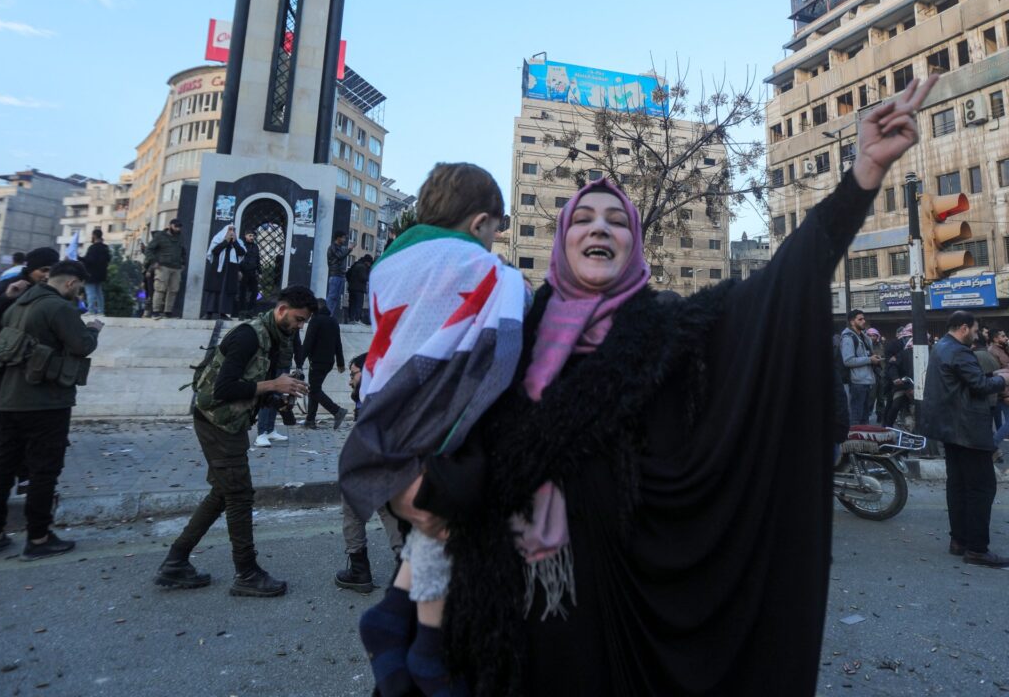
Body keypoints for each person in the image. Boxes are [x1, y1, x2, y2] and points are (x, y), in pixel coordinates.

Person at [378, 77, 941, 696]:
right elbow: (420, 402)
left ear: (634, 245)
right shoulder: (511, 325)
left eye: (617, 220)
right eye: (583, 219)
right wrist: (402, 480)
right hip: (502, 594)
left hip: (624, 598)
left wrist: (861, 175)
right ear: (562, 242)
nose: (600, 228)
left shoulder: (673, 328)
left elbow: (781, 286)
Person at [341, 162, 521, 697]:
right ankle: (428, 647)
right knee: (447, 519)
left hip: (388, 411)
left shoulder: (391, 263)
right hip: (436, 413)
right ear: (480, 222)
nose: (494, 242)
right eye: (495, 230)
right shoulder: (477, 268)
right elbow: (495, 339)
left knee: (428, 526)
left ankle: (395, 615)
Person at [153, 286, 316, 596]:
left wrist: (275, 399)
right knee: (239, 495)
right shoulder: (248, 336)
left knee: (223, 492)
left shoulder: (273, 338)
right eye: (298, 319)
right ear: (281, 309)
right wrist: (273, 384)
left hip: (230, 422)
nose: (299, 327)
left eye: (303, 322)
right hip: (216, 421)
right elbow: (224, 388)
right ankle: (246, 573)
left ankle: (176, 561)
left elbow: (251, 387)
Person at [0, 261, 102, 560]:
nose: (77, 291)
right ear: (69, 283)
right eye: (77, 286)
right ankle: (38, 537)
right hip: (45, 401)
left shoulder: (18, 305)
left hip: (8, 399)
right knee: (44, 470)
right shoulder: (58, 308)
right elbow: (81, 345)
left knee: (2, 469)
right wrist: (93, 330)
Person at [921, 311, 1009, 568]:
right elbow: (979, 385)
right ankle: (977, 549)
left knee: (958, 485)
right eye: (975, 329)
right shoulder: (959, 351)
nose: (977, 334)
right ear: (963, 328)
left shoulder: (941, 347)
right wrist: (1001, 379)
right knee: (982, 487)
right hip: (967, 429)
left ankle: (959, 540)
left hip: (951, 429)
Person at [0, 247, 58, 483]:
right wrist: (7, 296)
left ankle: (21, 473)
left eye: (51, 270)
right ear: (30, 269)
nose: (46, 275)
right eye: (42, 270)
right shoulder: (9, 287)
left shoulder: (50, 292)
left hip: (29, 368)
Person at [334, 353, 404, 594]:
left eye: (353, 373)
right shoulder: (377, 393)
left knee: (353, 506)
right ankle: (406, 563)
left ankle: (359, 570)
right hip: (387, 461)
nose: (350, 380)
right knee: (388, 508)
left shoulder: (372, 397)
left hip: (374, 457)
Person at [298, 299, 347, 430]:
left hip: (317, 361)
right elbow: (338, 343)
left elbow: (308, 342)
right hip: (328, 362)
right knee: (315, 388)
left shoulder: (316, 320)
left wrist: (299, 361)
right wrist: (340, 362)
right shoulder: (333, 321)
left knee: (314, 390)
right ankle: (310, 420)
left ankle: (337, 411)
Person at [841, 309, 880, 425]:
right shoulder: (848, 338)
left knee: (865, 417)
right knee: (856, 417)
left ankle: (864, 442)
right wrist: (869, 360)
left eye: (864, 318)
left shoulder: (862, 337)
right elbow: (848, 360)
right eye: (860, 319)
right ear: (852, 322)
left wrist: (874, 358)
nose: (864, 321)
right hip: (857, 382)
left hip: (866, 381)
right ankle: (854, 442)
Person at [202, 225, 246, 320]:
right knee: (214, 290)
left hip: (231, 269)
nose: (232, 232)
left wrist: (234, 242)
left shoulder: (238, 242)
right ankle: (209, 313)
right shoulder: (218, 239)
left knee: (227, 292)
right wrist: (226, 241)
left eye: (233, 230)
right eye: (230, 230)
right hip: (218, 269)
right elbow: (215, 251)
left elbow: (242, 252)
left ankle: (223, 313)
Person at [145, 218, 186, 319]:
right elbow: (149, 250)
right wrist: (154, 262)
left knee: (173, 290)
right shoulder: (160, 236)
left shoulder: (180, 237)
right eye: (176, 226)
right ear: (170, 225)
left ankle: (168, 312)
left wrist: (183, 263)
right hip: (162, 266)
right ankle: (155, 312)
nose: (178, 229)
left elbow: (183, 251)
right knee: (160, 289)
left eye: (179, 227)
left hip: (176, 267)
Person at [883, 326, 915, 427]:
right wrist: (895, 378)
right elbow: (893, 366)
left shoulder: (928, 353)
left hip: (922, 387)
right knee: (895, 405)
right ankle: (887, 428)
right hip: (903, 385)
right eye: (908, 337)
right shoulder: (903, 353)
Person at [81, 229, 111, 316]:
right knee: (99, 293)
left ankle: (91, 310)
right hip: (101, 274)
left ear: (94, 235)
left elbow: (89, 261)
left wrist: (79, 258)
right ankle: (101, 311)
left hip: (91, 274)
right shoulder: (105, 248)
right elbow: (108, 259)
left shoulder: (92, 248)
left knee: (90, 293)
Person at [326, 231, 353, 317]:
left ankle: (330, 315)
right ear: (338, 238)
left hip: (340, 275)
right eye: (343, 238)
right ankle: (326, 315)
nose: (344, 240)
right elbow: (339, 256)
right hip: (335, 275)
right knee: (332, 296)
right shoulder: (333, 247)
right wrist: (349, 250)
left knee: (336, 298)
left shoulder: (341, 247)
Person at [237, 230, 260, 315]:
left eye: (253, 236)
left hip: (253, 272)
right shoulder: (242, 245)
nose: (252, 237)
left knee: (255, 292)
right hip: (243, 272)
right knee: (242, 292)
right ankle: (242, 310)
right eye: (250, 235)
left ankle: (250, 310)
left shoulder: (255, 247)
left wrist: (260, 272)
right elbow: (238, 258)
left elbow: (258, 259)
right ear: (245, 236)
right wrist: (238, 270)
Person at [345, 254, 372, 324]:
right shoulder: (362, 267)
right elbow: (363, 278)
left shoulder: (355, 265)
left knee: (352, 304)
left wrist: (350, 282)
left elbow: (347, 274)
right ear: (367, 262)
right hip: (359, 290)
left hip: (351, 288)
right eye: (369, 263)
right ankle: (357, 319)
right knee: (358, 305)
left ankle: (351, 319)